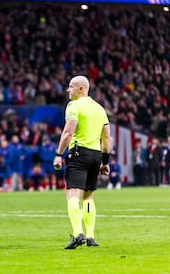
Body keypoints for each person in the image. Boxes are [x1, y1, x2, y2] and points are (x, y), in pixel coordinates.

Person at [53, 76, 111, 249]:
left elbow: (68, 132)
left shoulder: (74, 105)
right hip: (95, 155)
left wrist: (58, 154)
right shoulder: (100, 109)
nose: (67, 90)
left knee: (72, 194)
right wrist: (105, 162)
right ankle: (91, 236)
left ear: (81, 89)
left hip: (78, 153)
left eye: (70, 87)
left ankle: (78, 232)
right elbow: (107, 137)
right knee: (88, 196)